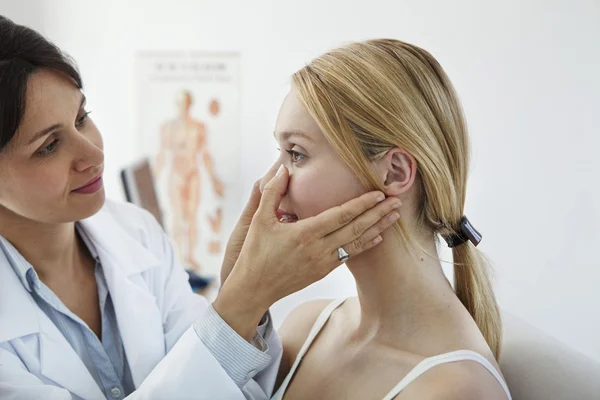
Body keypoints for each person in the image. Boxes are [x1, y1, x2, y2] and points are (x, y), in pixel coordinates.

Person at [0, 17, 402, 400]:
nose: (92, 154)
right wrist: (243, 299)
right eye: (49, 146)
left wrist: (240, 292)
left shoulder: (137, 235)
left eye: (82, 117)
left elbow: (224, 380)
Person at [268, 39, 512, 399]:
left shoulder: (456, 390)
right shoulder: (305, 329)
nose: (271, 183)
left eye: (297, 154)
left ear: (394, 173)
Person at [155, 90, 223, 271]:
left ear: (190, 105)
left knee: (192, 216)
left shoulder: (199, 127)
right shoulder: (168, 127)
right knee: (177, 216)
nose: (182, 107)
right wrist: (153, 177)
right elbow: (161, 154)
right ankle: (178, 256)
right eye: (179, 103)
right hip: (176, 175)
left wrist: (215, 179)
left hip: (193, 174)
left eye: (185, 103)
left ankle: (190, 256)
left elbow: (205, 154)